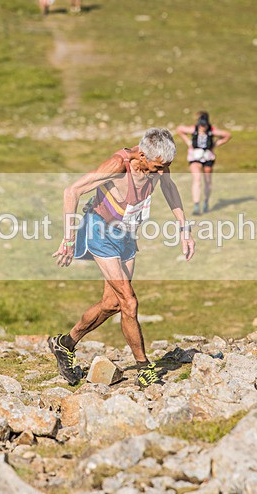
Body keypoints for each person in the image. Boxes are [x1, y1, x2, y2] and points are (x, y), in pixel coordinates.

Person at [50, 128, 196, 387]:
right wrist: (69, 239)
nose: (161, 172)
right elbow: (71, 191)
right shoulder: (118, 165)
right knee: (129, 302)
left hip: (127, 235)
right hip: (100, 233)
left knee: (112, 304)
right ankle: (144, 368)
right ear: (142, 156)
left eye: (165, 167)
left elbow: (169, 188)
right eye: (157, 167)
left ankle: (65, 343)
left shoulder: (159, 165)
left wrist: (184, 229)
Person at [176, 111, 232, 215]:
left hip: (208, 157)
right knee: (197, 179)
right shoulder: (194, 129)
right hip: (194, 157)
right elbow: (179, 129)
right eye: (201, 125)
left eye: (204, 126)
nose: (203, 128)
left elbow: (227, 135)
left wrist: (215, 144)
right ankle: (196, 206)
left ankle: (206, 201)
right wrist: (188, 142)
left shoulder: (212, 130)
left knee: (207, 181)